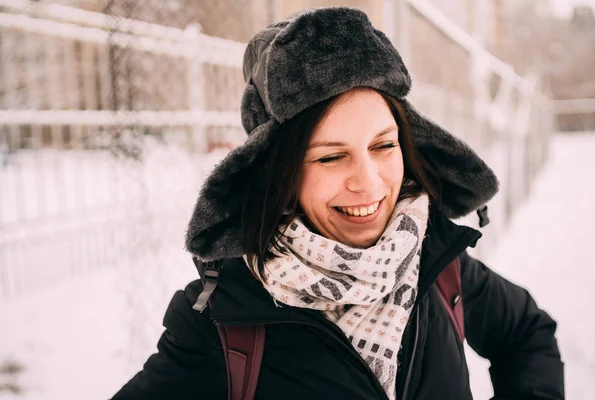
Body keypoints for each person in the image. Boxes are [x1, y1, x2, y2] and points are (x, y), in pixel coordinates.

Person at [112, 7, 564, 400]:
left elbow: (526, 333)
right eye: (331, 156)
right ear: (279, 173)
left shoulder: (438, 261)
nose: (368, 183)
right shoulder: (222, 322)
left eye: (384, 146)